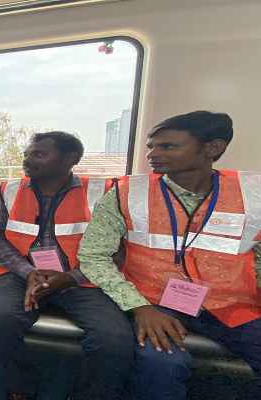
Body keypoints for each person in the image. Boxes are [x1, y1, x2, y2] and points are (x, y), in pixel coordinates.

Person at [79, 111, 261, 400]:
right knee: (161, 363)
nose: (153, 153)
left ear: (212, 148)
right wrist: (138, 307)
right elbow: (93, 256)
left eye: (167, 146)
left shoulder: (253, 192)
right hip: (154, 301)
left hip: (232, 303)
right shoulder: (126, 192)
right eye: (152, 146)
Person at [0, 131, 134, 400]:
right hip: (19, 273)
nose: (28, 160)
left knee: (114, 339)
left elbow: (118, 250)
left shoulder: (105, 193)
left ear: (71, 159)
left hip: (83, 278)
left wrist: (71, 277)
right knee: (0, 320)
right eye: (27, 154)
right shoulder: (9, 190)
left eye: (39, 154)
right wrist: (28, 272)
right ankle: (19, 387)